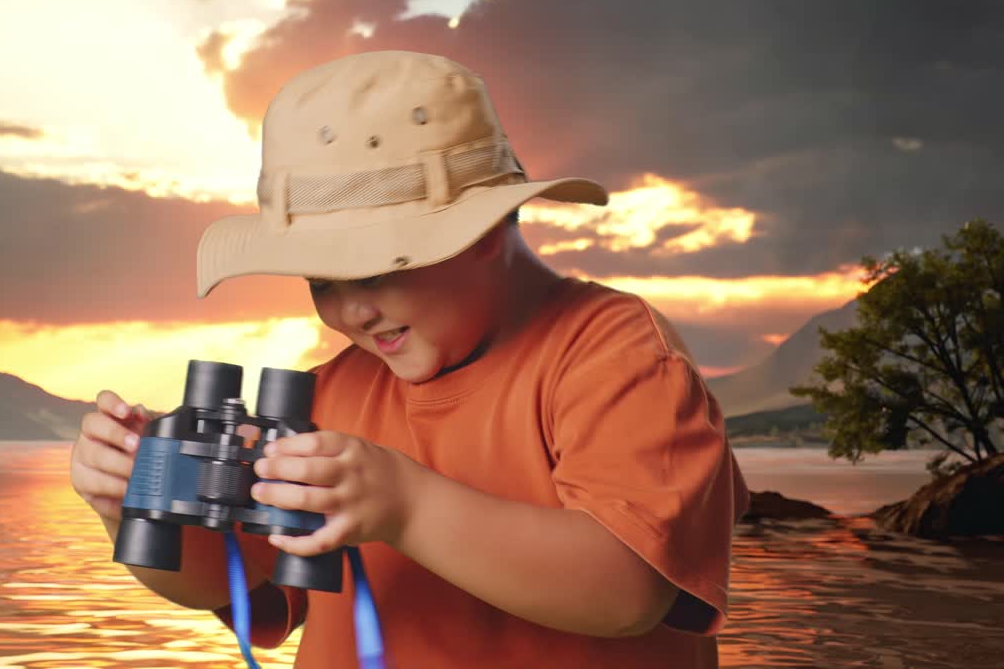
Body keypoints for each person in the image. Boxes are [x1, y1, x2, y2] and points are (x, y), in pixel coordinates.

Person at [70, 50, 750, 668]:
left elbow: (630, 593)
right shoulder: (328, 393)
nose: (348, 313)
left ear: (480, 233)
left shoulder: (614, 353)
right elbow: (231, 579)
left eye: (370, 273)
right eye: (322, 284)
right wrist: (136, 506)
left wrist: (407, 506)